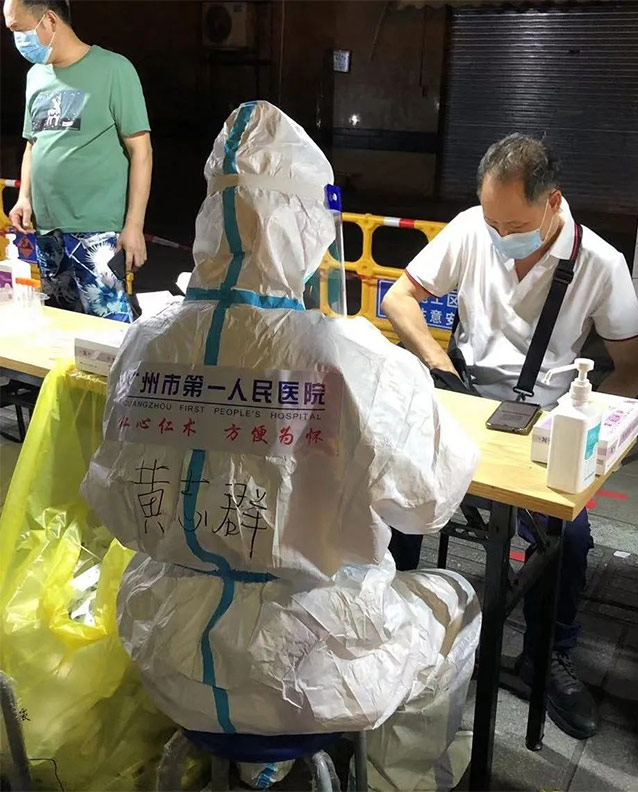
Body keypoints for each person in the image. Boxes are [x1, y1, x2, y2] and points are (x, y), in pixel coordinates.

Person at [81, 102, 481, 791]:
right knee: (455, 599)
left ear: (211, 217)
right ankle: (401, 782)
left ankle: (244, 766)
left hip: (169, 657)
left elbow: (115, 499)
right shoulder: (351, 357)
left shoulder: (146, 341)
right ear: (308, 227)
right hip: (309, 672)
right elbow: (429, 503)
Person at [383, 134, 638, 740]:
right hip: (464, 396)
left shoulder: (600, 263)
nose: (501, 235)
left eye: (515, 225)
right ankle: (390, 625)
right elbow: (401, 299)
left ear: (553, 201)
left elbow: (635, 370)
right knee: (393, 493)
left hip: (544, 420)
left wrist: (581, 423)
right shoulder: (470, 229)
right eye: (493, 222)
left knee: (568, 536)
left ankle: (547, 656)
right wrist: (438, 365)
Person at [3, 0, 152, 322]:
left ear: (49, 20)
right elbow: (33, 143)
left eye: (19, 29)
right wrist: (24, 197)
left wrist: (134, 225)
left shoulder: (114, 69)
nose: (17, 40)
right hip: (47, 227)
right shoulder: (36, 76)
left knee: (108, 327)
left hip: (97, 228)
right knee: (61, 324)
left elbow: (141, 151)